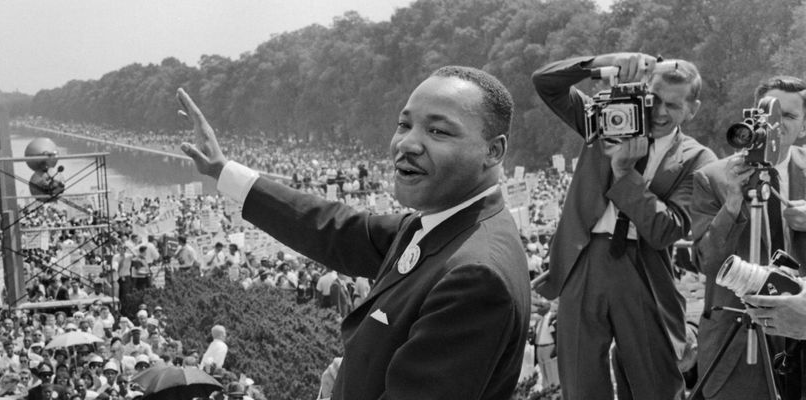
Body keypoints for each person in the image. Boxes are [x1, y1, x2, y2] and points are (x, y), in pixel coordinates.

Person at [176, 65, 530, 399]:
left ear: (493, 151)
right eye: (404, 125)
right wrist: (224, 172)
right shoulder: (444, 224)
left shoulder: (474, 276)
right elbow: (335, 229)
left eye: (438, 131)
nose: (407, 143)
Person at [531, 52, 716, 400]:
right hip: (584, 258)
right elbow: (545, 83)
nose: (660, 112)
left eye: (673, 106)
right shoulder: (605, 119)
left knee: (655, 382)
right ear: (644, 90)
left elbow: (666, 229)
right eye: (655, 99)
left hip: (644, 267)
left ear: (693, 109)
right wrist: (602, 62)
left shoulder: (698, 159)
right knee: (581, 380)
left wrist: (623, 173)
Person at [691, 76, 806, 399]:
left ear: (804, 127)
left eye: (788, 116)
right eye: (767, 114)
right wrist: (730, 205)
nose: (775, 125)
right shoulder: (712, 177)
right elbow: (707, 264)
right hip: (738, 343)